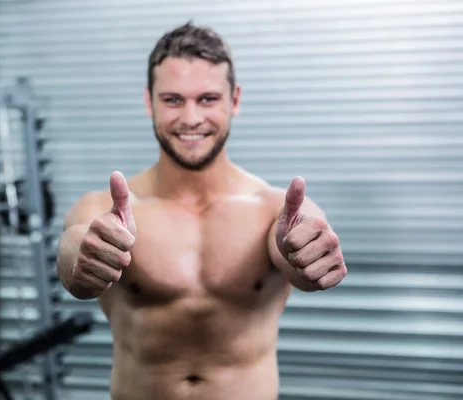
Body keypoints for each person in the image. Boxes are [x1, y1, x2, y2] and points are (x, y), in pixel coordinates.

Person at [56, 21, 347, 400]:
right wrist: (80, 256)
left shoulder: (275, 210)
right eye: (173, 99)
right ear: (149, 101)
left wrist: (309, 258)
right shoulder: (104, 210)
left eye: (208, 99)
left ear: (235, 100)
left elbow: (299, 259)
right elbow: (73, 258)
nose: (191, 118)